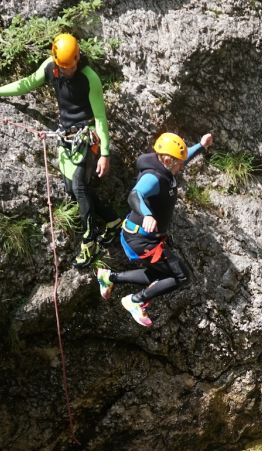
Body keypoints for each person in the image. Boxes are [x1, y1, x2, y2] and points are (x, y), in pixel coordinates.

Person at [0, 33, 120, 268]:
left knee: (79, 185)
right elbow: (26, 83)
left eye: (71, 65)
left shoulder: (89, 78)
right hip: (66, 135)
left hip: (86, 136)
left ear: (77, 57)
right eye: (64, 67)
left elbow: (100, 118)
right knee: (72, 189)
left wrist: (104, 153)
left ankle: (90, 240)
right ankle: (113, 220)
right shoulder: (50, 68)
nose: (68, 70)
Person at [96, 131, 213, 327]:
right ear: (167, 160)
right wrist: (147, 214)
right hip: (139, 240)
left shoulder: (167, 169)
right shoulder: (153, 177)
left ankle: (109, 277)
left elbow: (185, 157)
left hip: (146, 238)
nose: (182, 165)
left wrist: (200, 145)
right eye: (178, 162)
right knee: (181, 276)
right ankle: (135, 301)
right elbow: (135, 195)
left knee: (163, 276)